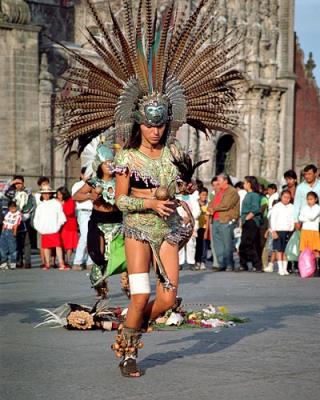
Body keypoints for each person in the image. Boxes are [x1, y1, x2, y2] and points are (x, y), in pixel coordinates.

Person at [56, 0, 244, 378]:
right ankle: (128, 352)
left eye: (160, 125)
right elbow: (120, 199)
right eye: (148, 124)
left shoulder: (175, 150)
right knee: (140, 295)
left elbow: (176, 186)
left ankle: (133, 327)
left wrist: (182, 186)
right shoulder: (126, 158)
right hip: (138, 231)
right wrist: (149, 201)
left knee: (168, 297)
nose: (155, 130)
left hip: (170, 230)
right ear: (138, 122)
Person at [72, 136, 127, 297]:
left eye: (112, 162)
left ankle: (128, 283)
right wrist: (90, 197)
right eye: (106, 163)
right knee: (99, 255)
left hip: (118, 221)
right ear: (99, 165)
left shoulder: (121, 181)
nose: (110, 165)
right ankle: (100, 287)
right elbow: (76, 195)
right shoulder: (94, 181)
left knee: (123, 255)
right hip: (99, 222)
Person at [207, 174, 240, 272]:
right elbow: (211, 202)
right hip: (215, 219)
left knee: (227, 243)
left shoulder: (232, 191)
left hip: (226, 220)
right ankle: (221, 264)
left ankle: (229, 264)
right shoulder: (218, 191)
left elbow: (226, 205)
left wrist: (213, 208)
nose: (217, 183)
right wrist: (209, 207)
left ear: (225, 181)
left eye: (219, 181)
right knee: (218, 244)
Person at [33, 185, 67, 270]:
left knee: (58, 246)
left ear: (51, 194)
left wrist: (58, 226)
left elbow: (61, 216)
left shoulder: (56, 203)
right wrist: (39, 228)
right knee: (46, 247)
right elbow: (36, 218)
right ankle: (47, 264)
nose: (46, 195)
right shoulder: (40, 206)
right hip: (44, 229)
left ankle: (61, 263)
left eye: (48, 193)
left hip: (54, 229)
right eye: (44, 193)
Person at [5, 175, 34, 268]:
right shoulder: (12, 192)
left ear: (23, 183)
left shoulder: (28, 193)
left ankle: (28, 261)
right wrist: (11, 185)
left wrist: (22, 215)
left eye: (19, 183)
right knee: (16, 241)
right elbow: (5, 194)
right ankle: (18, 260)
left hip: (24, 218)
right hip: (13, 221)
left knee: (26, 241)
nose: (18, 185)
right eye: (16, 183)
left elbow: (30, 206)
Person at [71, 167, 94, 271]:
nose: (89, 176)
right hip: (84, 212)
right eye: (87, 174)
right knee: (85, 236)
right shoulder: (78, 185)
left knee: (93, 238)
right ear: (81, 175)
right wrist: (89, 195)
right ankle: (77, 261)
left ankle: (90, 261)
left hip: (94, 212)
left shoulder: (94, 184)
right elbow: (76, 198)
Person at [239, 176, 263, 272]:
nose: (243, 184)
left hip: (251, 221)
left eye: (245, 183)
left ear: (249, 184)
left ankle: (256, 264)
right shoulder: (247, 194)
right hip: (246, 220)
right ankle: (244, 264)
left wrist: (249, 216)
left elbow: (256, 208)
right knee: (245, 244)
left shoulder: (254, 195)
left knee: (248, 243)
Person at [270, 190, 294, 276]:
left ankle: (285, 268)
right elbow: (273, 219)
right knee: (279, 250)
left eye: (288, 197)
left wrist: (292, 228)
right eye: (285, 197)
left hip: (289, 231)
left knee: (286, 250)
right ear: (281, 197)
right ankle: (280, 268)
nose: (286, 199)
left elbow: (293, 218)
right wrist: (273, 231)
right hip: (278, 230)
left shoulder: (292, 207)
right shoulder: (277, 206)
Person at [178, 189, 201, 270]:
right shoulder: (176, 197)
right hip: (180, 223)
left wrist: (189, 217)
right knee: (179, 243)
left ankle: (191, 262)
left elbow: (197, 211)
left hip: (191, 223)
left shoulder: (192, 197)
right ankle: (179, 262)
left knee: (191, 243)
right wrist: (182, 218)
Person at [57, 186, 79, 266]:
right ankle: (62, 260)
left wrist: (62, 205)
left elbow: (69, 212)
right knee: (61, 243)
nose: (58, 196)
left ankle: (68, 260)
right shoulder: (58, 201)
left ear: (64, 194)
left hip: (69, 225)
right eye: (57, 195)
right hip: (61, 226)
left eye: (60, 194)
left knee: (69, 245)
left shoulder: (70, 201)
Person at [294, 164, 320, 230]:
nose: (307, 176)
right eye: (305, 174)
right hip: (304, 222)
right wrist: (296, 221)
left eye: (309, 174)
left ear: (315, 173)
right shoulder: (300, 187)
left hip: (318, 220)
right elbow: (297, 205)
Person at [299, 191, 320, 273]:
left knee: (315, 250)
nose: (309, 201)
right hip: (305, 230)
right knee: (304, 249)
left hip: (314, 231)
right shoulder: (304, 207)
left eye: (311, 199)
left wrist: (306, 217)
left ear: (315, 199)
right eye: (308, 199)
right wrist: (307, 217)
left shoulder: (317, 207)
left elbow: (312, 217)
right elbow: (300, 217)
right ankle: (304, 267)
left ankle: (317, 268)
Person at [34, 176, 51, 268]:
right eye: (43, 184)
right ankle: (43, 261)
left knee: (50, 241)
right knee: (41, 243)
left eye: (47, 183)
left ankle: (50, 261)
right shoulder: (37, 196)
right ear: (40, 186)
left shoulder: (52, 194)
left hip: (50, 222)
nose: (45, 185)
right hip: (41, 222)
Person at [0, 201, 21, 270]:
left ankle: (13, 262)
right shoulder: (8, 214)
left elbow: (16, 224)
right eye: (11, 207)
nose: (12, 208)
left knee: (12, 248)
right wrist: (2, 231)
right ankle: (4, 262)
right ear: (9, 208)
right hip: (5, 231)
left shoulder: (18, 214)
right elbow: (5, 222)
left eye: (14, 207)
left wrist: (14, 232)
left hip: (11, 231)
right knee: (3, 248)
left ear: (16, 207)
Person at [195, 187, 209, 270]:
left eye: (206, 195)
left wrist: (207, 229)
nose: (204, 196)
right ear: (199, 195)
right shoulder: (195, 203)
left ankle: (203, 261)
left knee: (204, 245)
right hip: (197, 227)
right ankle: (197, 261)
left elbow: (208, 217)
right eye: (202, 195)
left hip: (204, 227)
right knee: (197, 245)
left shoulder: (208, 204)